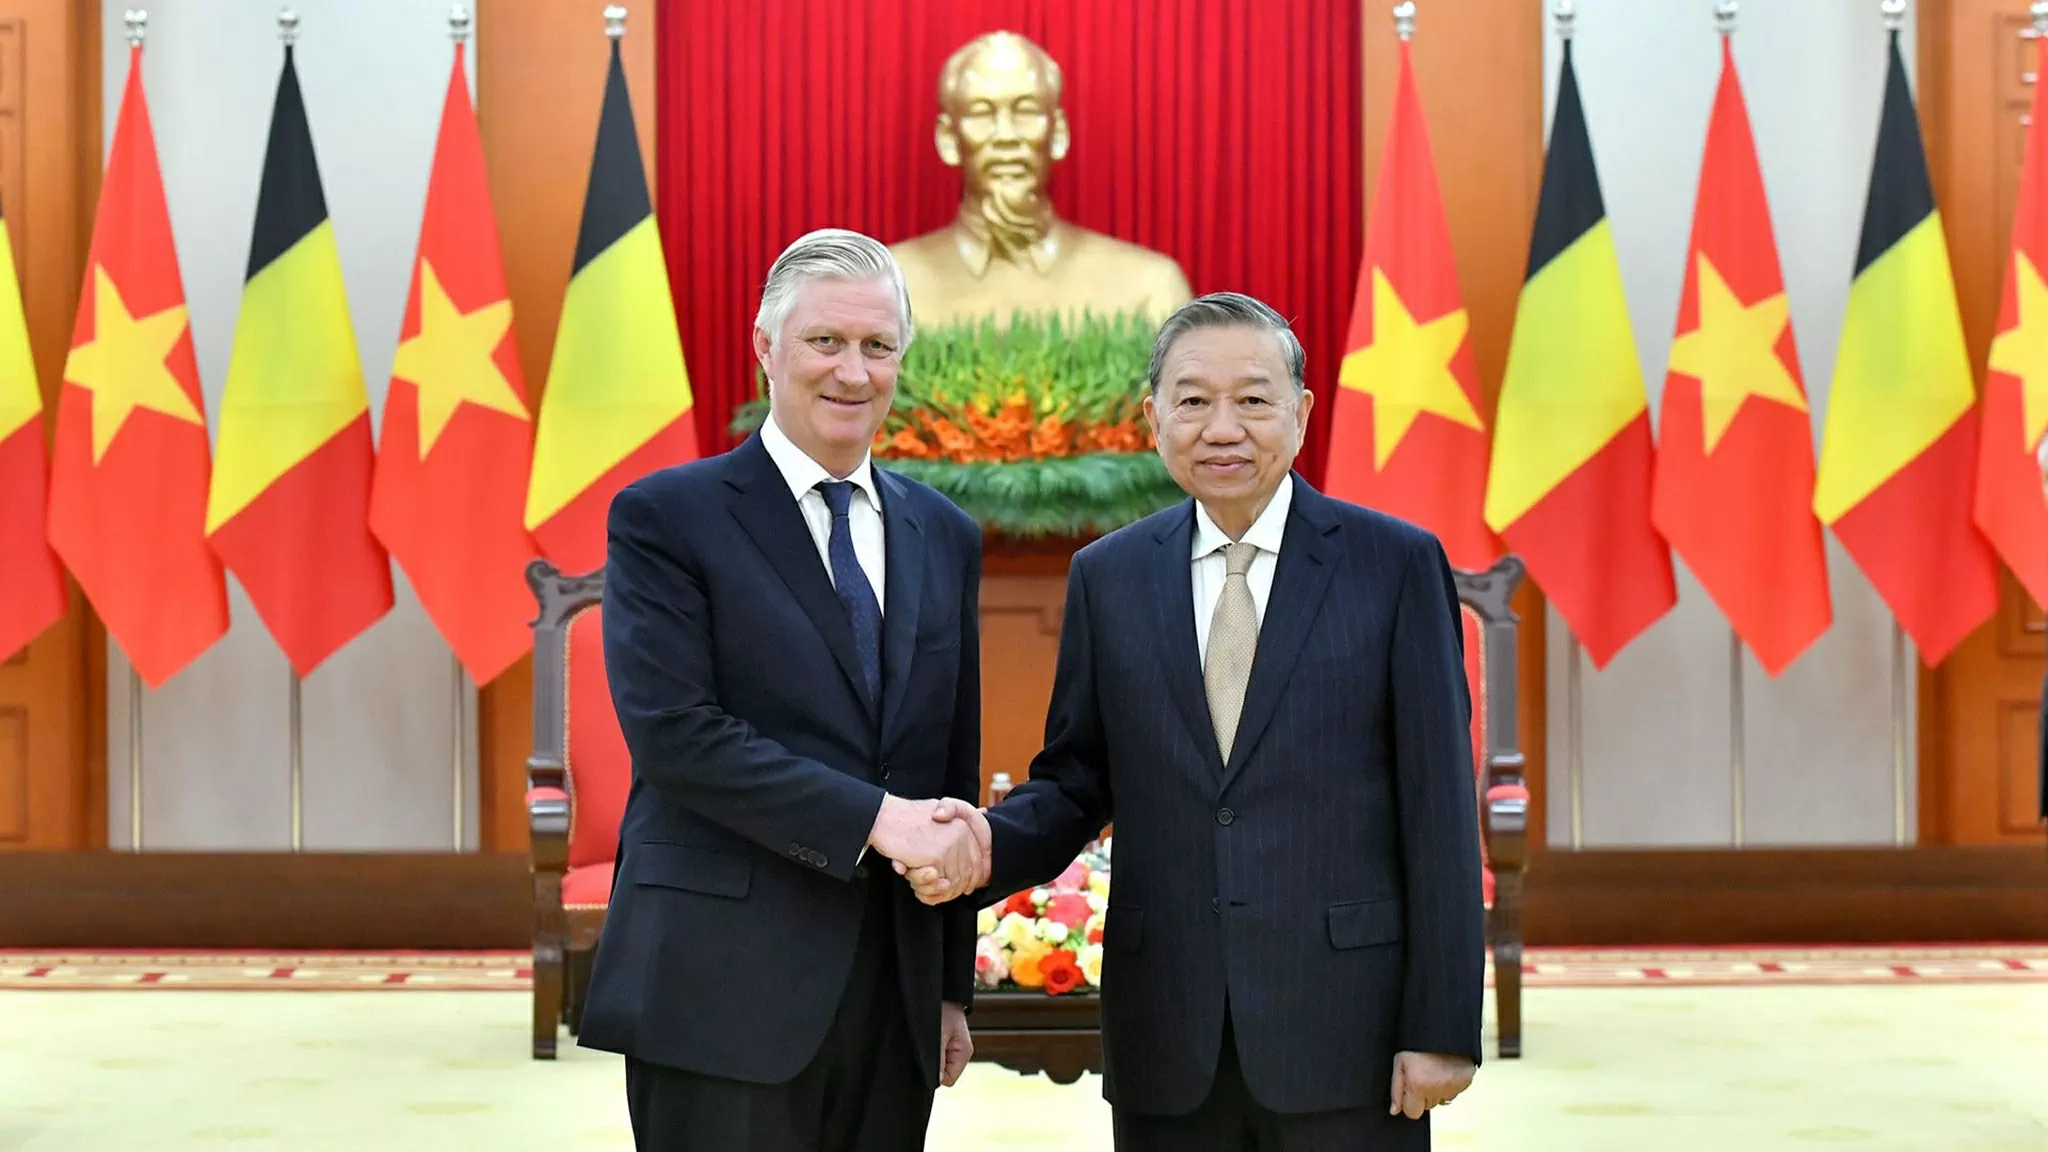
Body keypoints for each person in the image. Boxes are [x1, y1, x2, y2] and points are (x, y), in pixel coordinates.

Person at [909, 292, 1486, 1150]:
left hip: (1346, 1027)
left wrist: (1440, 1025)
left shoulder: (1393, 564)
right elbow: (1076, 778)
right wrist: (984, 846)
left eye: (1253, 399)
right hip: (1168, 1032)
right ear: (1151, 419)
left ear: (1301, 414)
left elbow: (1438, 802)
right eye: (1193, 400)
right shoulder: (1110, 576)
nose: (1223, 427)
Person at [578, 228, 988, 1151]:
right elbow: (678, 737)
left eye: (878, 346)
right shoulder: (666, 517)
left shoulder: (944, 533)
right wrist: (875, 818)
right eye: (826, 342)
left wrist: (946, 983)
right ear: (766, 348)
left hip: (892, 991)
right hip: (721, 985)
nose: (853, 372)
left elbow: (948, 763)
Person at [888, 30, 1192, 329]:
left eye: (1026, 111)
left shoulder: (1147, 289)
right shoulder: (884, 287)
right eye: (981, 113)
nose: (1006, 136)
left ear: (1058, 133)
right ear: (948, 139)